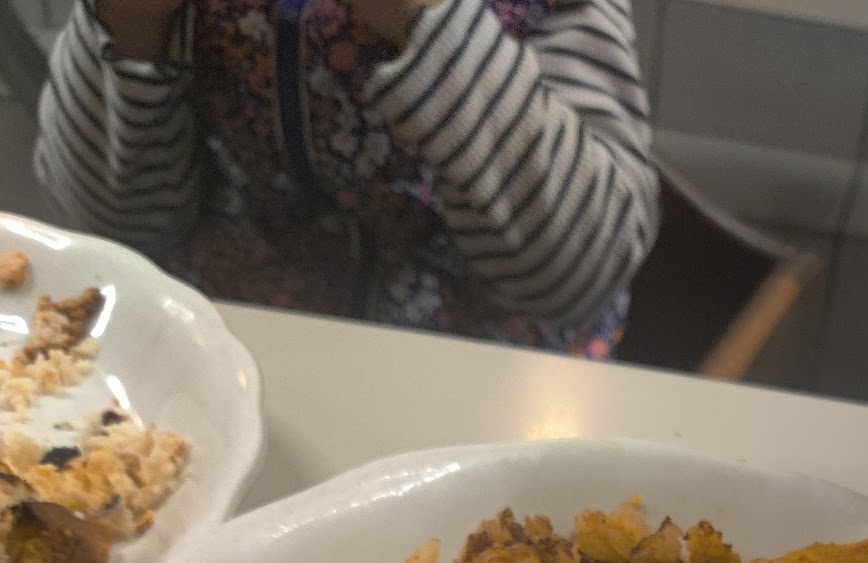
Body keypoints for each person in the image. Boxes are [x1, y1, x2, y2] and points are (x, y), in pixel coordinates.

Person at [32, 0, 659, 355]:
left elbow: (579, 276)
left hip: (479, 365)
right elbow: (109, 233)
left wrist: (421, 17)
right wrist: (133, 26)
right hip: (232, 346)